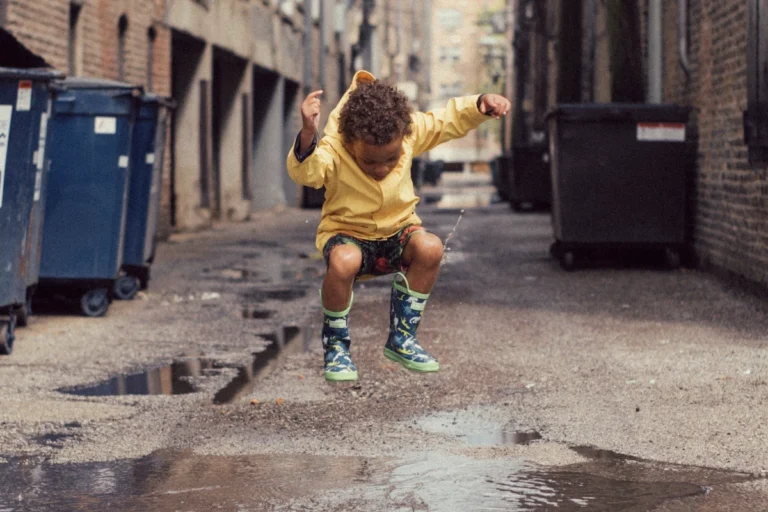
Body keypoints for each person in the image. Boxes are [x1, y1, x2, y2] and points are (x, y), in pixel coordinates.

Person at [286, 70, 511, 382]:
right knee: (343, 261)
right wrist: (309, 134)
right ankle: (336, 346)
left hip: (397, 232)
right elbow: (306, 175)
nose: (381, 168)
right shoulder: (334, 149)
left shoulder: (408, 132)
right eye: (369, 162)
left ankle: (402, 338)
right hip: (349, 236)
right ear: (351, 143)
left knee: (431, 247)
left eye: (391, 159)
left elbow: (443, 121)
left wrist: (479, 105)